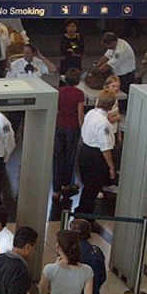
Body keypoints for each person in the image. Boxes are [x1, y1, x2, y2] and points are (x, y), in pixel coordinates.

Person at [76, 92, 117, 217]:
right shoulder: (103, 123)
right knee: (93, 188)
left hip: (85, 150)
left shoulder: (91, 113)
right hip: (96, 157)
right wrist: (111, 167)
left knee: (88, 187)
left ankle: (82, 212)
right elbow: (105, 148)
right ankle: (85, 216)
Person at [53, 69, 85, 219]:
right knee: (70, 158)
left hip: (60, 126)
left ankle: (56, 189)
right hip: (72, 128)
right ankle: (67, 185)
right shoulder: (79, 94)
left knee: (58, 157)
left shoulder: (59, 91)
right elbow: (80, 114)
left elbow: (57, 110)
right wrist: (83, 131)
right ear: (78, 80)